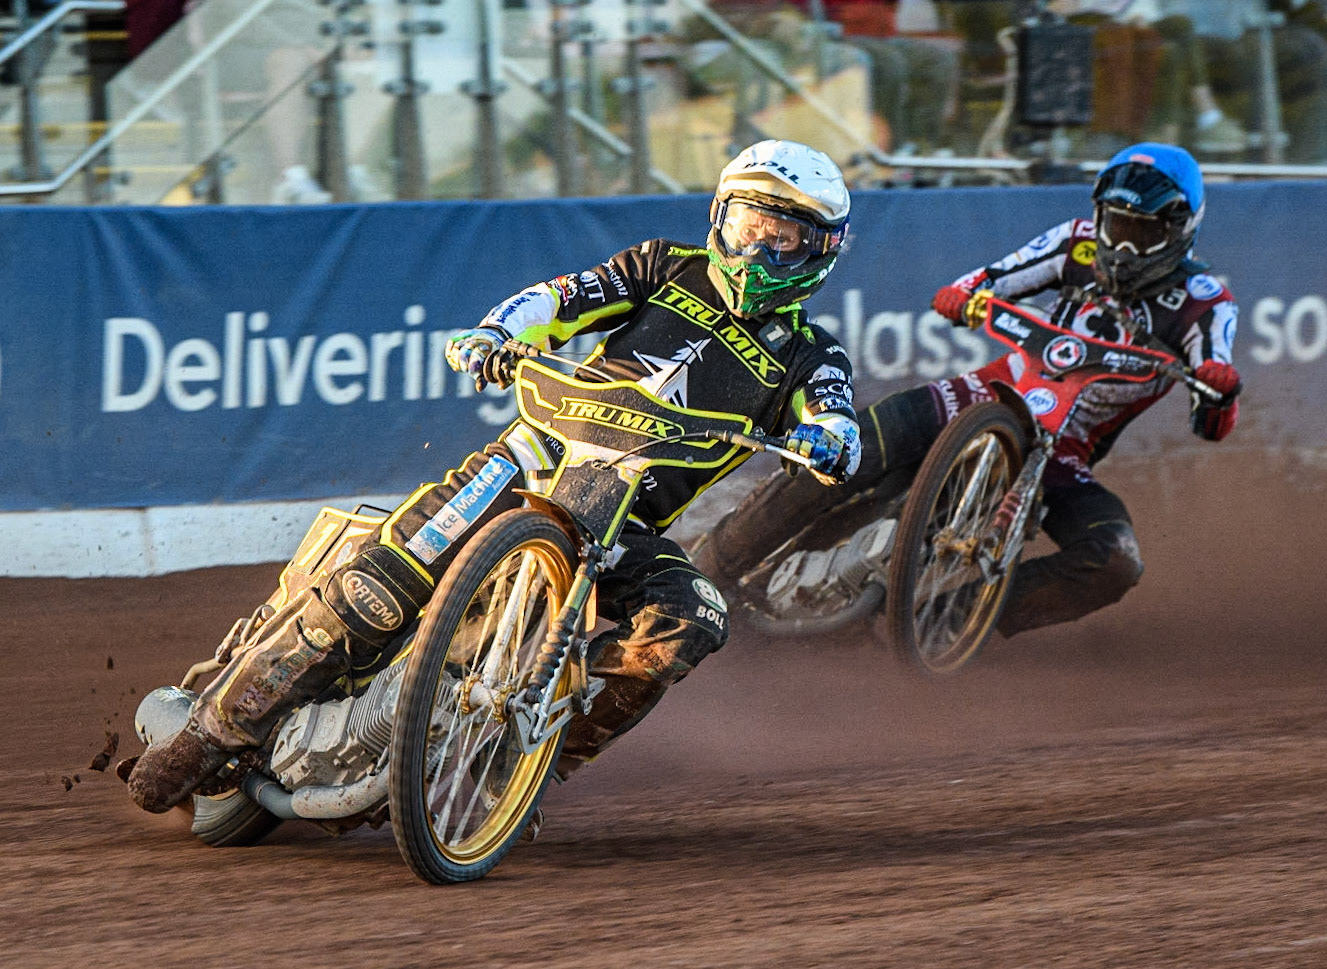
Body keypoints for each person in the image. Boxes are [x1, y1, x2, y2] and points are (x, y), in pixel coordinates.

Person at [126, 138, 862, 814]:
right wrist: (496, 334)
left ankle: (528, 766)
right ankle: (212, 729)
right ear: (719, 218)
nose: (757, 249)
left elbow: (836, 418)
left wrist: (828, 440)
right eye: (746, 224)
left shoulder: (811, 356)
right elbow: (561, 297)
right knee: (376, 588)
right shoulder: (664, 267)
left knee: (693, 616)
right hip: (526, 463)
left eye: (782, 236)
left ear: (818, 252)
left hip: (618, 524)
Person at [697, 142, 1242, 639]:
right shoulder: (1077, 243)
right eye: (1115, 225)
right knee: (852, 446)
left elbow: (1214, 419)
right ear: (1098, 215)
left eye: (1142, 233)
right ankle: (709, 567)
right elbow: (989, 280)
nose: (1122, 246)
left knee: (1115, 562)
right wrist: (964, 295)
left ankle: (950, 623)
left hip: (1062, 453)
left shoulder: (1207, 302)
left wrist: (1220, 390)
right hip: (981, 395)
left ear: (1181, 229)